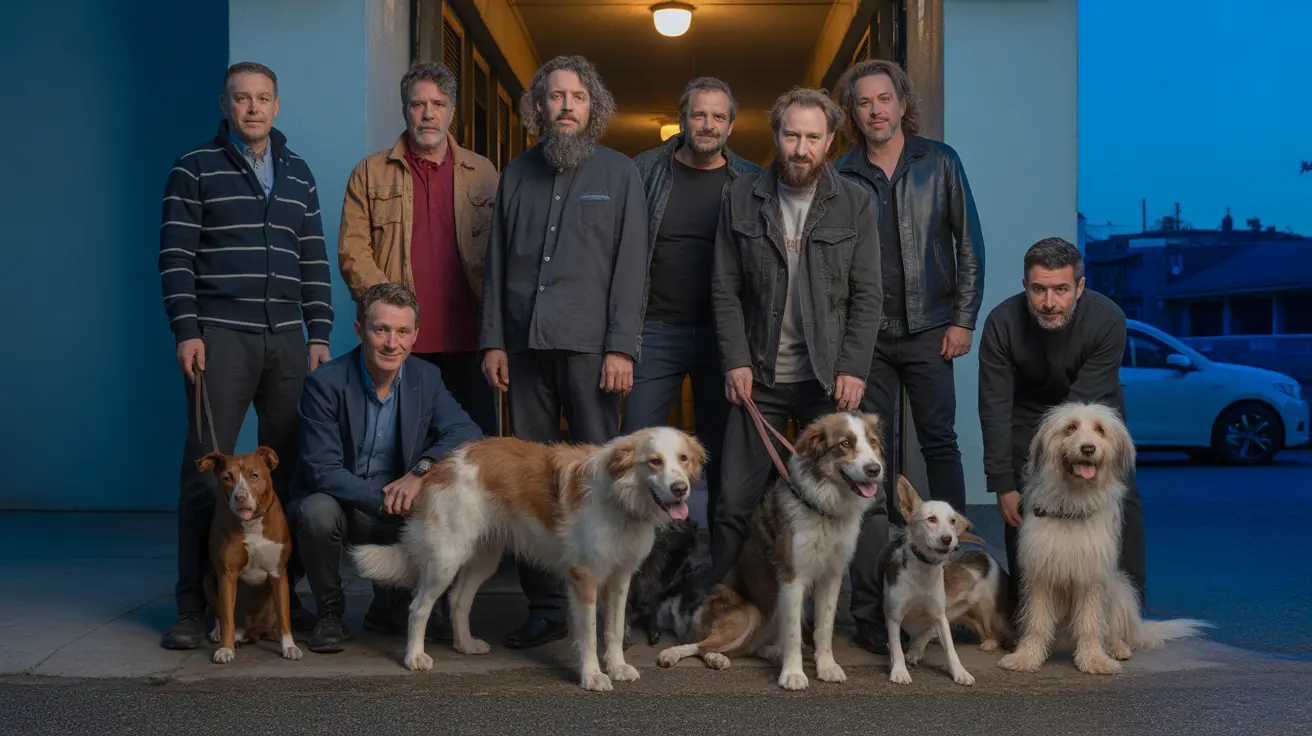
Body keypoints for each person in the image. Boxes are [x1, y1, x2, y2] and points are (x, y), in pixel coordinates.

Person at [157, 61, 333, 650]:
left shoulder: (300, 174)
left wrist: (319, 335)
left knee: (290, 472)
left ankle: (283, 593)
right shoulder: (194, 167)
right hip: (220, 338)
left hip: (287, 339)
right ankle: (190, 605)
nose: (253, 108)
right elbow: (176, 257)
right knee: (204, 474)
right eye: (241, 99)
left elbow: (313, 259)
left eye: (263, 99)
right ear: (226, 105)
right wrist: (188, 330)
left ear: (277, 106)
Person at [478, 54, 648, 649]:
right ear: (539, 107)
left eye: (577, 96)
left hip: (593, 353)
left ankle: (604, 609)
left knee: (602, 480)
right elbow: (496, 265)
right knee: (530, 480)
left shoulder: (620, 174)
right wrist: (494, 340)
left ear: (593, 105)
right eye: (555, 97)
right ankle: (545, 607)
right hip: (523, 350)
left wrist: (621, 348)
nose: (566, 106)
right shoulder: (516, 174)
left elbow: (631, 270)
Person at [830, 58, 985, 655]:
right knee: (873, 464)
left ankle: (959, 584)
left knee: (940, 444)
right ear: (854, 112)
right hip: (865, 337)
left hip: (930, 330)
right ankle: (874, 606)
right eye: (864, 101)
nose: (876, 109)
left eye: (884, 98)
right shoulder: (840, 171)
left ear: (901, 102)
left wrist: (962, 318)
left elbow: (967, 241)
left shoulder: (939, 161)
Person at [709, 86, 884, 585]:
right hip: (757, 376)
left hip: (826, 381)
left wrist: (852, 366)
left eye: (812, 137)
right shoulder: (740, 196)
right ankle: (725, 607)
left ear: (830, 139)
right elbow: (723, 289)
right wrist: (734, 360)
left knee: (851, 497)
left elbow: (868, 295)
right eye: (791, 135)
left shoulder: (855, 203)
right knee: (732, 502)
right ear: (776, 135)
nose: (801, 149)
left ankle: (866, 616)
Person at [288, 282, 482, 654]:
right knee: (316, 513)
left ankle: (392, 605)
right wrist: (387, 495)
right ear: (360, 331)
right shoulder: (324, 383)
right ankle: (329, 612)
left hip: (399, 500)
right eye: (382, 330)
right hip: (341, 502)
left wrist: (419, 473)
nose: (392, 343)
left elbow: (465, 431)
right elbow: (322, 470)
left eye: (403, 332)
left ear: (415, 336)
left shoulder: (426, 377)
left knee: (452, 503)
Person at [977, 237, 1147, 620]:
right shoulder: (1002, 323)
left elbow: (1083, 407)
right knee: (1020, 504)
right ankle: (1030, 616)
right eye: (1039, 289)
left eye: (1061, 290)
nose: (1049, 302)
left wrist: (1074, 444)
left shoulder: (1108, 319)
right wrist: (1003, 483)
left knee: (1126, 501)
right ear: (1025, 285)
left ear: (1080, 287)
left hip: (1091, 410)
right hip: (1025, 414)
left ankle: (1124, 616)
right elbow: (994, 407)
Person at [338, 61, 501, 440]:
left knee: (475, 455)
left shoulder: (484, 173)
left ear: (452, 111)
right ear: (404, 110)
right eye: (417, 104)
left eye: (438, 104)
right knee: (401, 456)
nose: (428, 114)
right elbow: (352, 251)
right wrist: (392, 316)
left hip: (470, 344)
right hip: (400, 347)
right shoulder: (371, 172)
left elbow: (504, 253)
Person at [627, 76, 761, 524]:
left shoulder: (752, 181)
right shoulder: (643, 170)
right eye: (699, 115)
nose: (708, 124)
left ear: (731, 125)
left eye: (717, 117)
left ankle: (721, 570)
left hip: (724, 337)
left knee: (724, 452)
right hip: (653, 330)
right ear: (682, 120)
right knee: (638, 447)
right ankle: (641, 569)